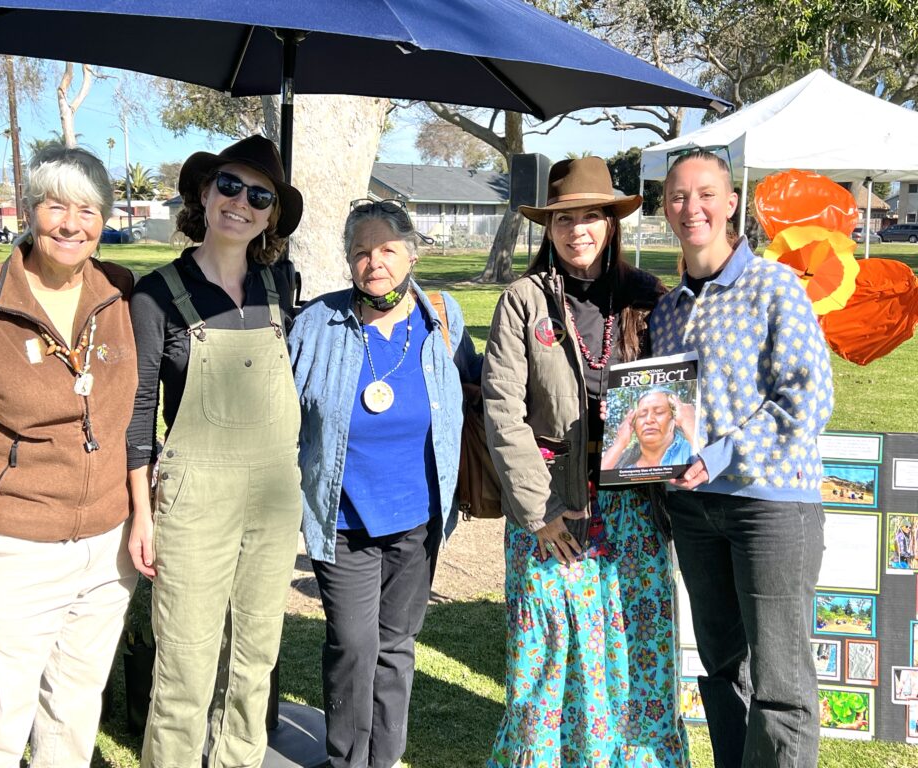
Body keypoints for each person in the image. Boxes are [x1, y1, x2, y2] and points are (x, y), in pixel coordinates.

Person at [0, 144, 138, 766]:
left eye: (89, 210)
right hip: (14, 542)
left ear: (105, 219)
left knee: (74, 704)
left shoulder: (121, 294)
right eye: (56, 206)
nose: (71, 224)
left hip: (106, 544)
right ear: (30, 212)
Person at [483, 156, 688, 767]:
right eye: (565, 218)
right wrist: (538, 512)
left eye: (591, 215)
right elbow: (502, 410)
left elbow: (682, 394)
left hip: (635, 509)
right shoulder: (524, 301)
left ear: (611, 222)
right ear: (548, 226)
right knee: (547, 658)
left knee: (637, 651)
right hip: (553, 506)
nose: (578, 229)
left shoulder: (648, 298)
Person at [650, 148, 834, 768]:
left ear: (731, 205)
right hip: (696, 513)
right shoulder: (668, 312)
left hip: (771, 507)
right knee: (723, 670)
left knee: (780, 683)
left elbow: (809, 395)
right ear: (665, 208)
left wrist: (726, 454)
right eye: (678, 196)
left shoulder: (773, 285)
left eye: (705, 194)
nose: (691, 207)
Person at [126, 135, 303, 767]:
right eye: (229, 185)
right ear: (204, 193)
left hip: (276, 500)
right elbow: (140, 413)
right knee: (184, 668)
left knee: (256, 659)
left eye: (260, 196)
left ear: (271, 217)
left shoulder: (281, 284)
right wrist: (142, 515)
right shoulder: (155, 294)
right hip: (194, 500)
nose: (241, 203)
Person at [288, 199, 481, 768]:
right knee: (352, 644)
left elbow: (473, 394)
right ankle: (348, 759)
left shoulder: (443, 319)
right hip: (342, 517)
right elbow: (284, 412)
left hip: (418, 519)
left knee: (396, 646)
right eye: (362, 252)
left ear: (411, 254)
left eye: (388, 249)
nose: (376, 262)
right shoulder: (316, 325)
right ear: (349, 260)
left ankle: (386, 758)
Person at [601, 388, 695, 470]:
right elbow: (601, 479)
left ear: (675, 418)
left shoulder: (692, 451)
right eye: (642, 414)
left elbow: (707, 466)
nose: (649, 420)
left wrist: (690, 425)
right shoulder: (624, 463)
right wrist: (620, 443)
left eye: (659, 412)